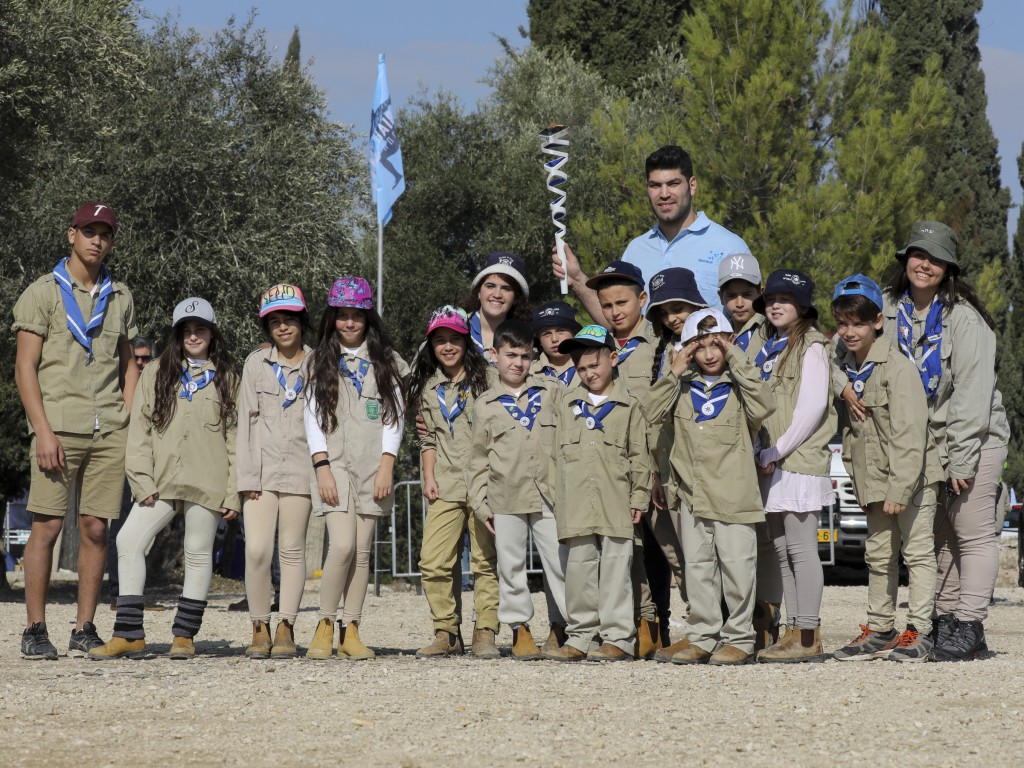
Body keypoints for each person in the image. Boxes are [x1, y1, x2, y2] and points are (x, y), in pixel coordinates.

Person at [842, 222, 1008, 661]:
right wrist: (842, 385)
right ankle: (944, 621)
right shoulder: (886, 306)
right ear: (906, 260)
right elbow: (838, 344)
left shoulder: (966, 320)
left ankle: (969, 625)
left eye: (935, 258)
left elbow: (973, 396)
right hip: (917, 441)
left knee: (969, 533)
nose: (924, 264)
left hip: (974, 436)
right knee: (935, 536)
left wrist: (963, 459)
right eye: (918, 254)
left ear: (948, 267)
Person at [13, 202, 140, 660]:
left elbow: (128, 365)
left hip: (108, 428)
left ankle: (84, 627)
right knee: (45, 527)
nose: (97, 240)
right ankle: (34, 628)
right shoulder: (42, 293)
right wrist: (42, 431)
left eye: (105, 233)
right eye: (89, 231)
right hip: (58, 428)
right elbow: (25, 368)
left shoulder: (120, 296)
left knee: (95, 529)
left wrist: (129, 419)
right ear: (71, 235)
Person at [89, 298, 239, 659]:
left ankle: (184, 636)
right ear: (177, 335)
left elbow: (237, 438)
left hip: (209, 480)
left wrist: (233, 492)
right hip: (161, 480)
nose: (193, 336)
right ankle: (129, 633)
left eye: (200, 329)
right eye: (186, 330)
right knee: (128, 541)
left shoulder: (230, 376)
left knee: (198, 552)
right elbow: (139, 431)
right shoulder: (156, 372)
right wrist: (142, 481)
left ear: (212, 332)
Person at [641, 309, 775, 665]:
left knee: (737, 568)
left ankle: (740, 638)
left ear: (730, 343)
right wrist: (673, 371)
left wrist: (736, 357)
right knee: (698, 569)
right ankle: (703, 635)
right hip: (693, 494)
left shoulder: (741, 385)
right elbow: (649, 413)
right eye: (700, 347)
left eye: (718, 344)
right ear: (688, 351)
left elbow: (765, 404)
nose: (710, 354)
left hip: (734, 494)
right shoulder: (680, 387)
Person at [829, 275, 943, 663]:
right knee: (878, 555)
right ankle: (880, 630)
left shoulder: (896, 368)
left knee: (917, 554)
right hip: (874, 479)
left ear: (878, 321)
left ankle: (920, 632)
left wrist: (899, 489)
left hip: (913, 479)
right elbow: (826, 357)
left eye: (858, 323)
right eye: (842, 323)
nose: (848, 331)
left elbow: (911, 436)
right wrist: (842, 384)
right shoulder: (846, 364)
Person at [304, 277, 408, 660]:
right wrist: (322, 467)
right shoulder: (318, 361)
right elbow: (312, 418)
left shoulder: (387, 361)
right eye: (342, 315)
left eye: (356, 316)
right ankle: (324, 624)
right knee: (343, 545)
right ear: (332, 318)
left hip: (373, 465)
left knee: (362, 551)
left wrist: (387, 466)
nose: (349, 323)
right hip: (333, 464)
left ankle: (352, 630)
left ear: (368, 318)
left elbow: (394, 419)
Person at [544, 325, 651, 662]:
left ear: (613, 359)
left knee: (618, 569)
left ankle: (618, 638)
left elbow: (639, 455)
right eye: (582, 368)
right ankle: (580, 636)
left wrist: (639, 497)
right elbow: (553, 453)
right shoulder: (565, 404)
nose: (589, 373)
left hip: (615, 498)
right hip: (575, 500)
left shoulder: (629, 405)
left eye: (595, 365)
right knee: (579, 569)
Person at [466, 320, 567, 661]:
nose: (518, 363)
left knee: (559, 563)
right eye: (511, 355)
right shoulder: (485, 404)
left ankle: (562, 627)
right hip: (505, 497)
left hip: (549, 493)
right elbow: (478, 460)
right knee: (511, 566)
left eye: (525, 356)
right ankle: (520, 629)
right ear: (494, 355)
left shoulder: (551, 391)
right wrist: (481, 505)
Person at [552, 145, 748, 319]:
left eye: (673, 184)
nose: (663, 194)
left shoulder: (730, 246)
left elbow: (749, 324)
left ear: (692, 185)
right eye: (655, 185)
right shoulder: (635, 250)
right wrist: (577, 280)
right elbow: (617, 323)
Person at [407, 306, 500, 659]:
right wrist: (428, 477)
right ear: (431, 346)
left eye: (454, 339)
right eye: (440, 340)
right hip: (444, 483)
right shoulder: (428, 387)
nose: (448, 346)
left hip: (484, 484)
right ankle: (446, 631)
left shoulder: (488, 379)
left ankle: (485, 631)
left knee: (484, 561)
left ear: (466, 341)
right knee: (433, 561)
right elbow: (427, 438)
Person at [755, 270, 836, 663]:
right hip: (775, 462)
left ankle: (808, 636)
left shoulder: (812, 346)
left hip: (797, 461)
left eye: (785, 298)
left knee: (802, 550)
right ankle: (793, 631)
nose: (775, 304)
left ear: (802, 306)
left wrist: (778, 449)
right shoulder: (771, 345)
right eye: (771, 298)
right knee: (784, 549)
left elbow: (813, 406)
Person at [585, 260, 662, 657]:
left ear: (642, 300)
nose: (615, 311)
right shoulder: (599, 350)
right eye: (607, 304)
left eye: (622, 302)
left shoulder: (660, 342)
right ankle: (645, 627)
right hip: (618, 468)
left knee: (678, 552)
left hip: (659, 463)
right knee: (629, 551)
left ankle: (715, 627)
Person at [236, 284, 313, 659]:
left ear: (302, 322)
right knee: (257, 550)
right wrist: (247, 477)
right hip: (261, 473)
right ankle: (258, 624)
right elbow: (245, 421)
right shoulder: (255, 363)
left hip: (302, 470)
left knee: (293, 551)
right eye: (275, 322)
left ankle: (286, 625)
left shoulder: (318, 363)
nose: (283, 328)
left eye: (290, 320)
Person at [716, 253, 782, 651]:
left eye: (746, 293)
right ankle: (732, 617)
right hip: (727, 448)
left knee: (766, 539)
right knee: (732, 538)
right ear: (720, 296)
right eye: (731, 294)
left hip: (765, 441)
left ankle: (767, 615)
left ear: (760, 293)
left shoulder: (770, 331)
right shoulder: (714, 330)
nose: (739, 302)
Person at [643, 267, 708, 650]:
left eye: (679, 306)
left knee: (707, 552)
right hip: (667, 470)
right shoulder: (661, 352)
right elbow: (654, 416)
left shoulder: (712, 347)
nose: (672, 317)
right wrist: (654, 471)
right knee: (678, 554)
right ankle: (699, 624)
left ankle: (718, 628)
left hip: (704, 468)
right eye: (665, 310)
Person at [106, 336, 156, 610]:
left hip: (152, 465)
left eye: (145, 358)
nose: (140, 363)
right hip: (125, 462)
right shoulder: (119, 388)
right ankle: (119, 592)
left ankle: (135, 591)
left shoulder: (158, 383)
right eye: (135, 358)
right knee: (122, 526)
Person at [462, 252, 532, 358]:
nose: (497, 294)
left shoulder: (525, 337)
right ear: (478, 292)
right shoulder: (457, 326)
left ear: (515, 297)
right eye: (490, 286)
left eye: (506, 288)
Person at [530, 300, 581, 386]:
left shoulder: (588, 365)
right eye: (546, 334)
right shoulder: (529, 372)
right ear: (539, 340)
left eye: (561, 331)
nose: (554, 339)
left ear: (574, 333)